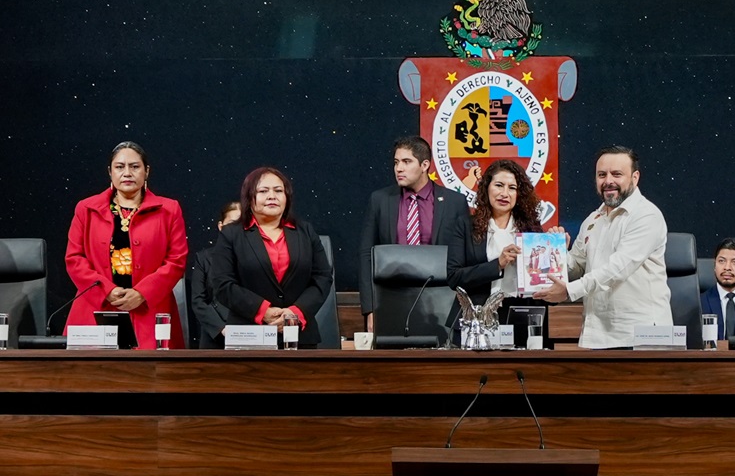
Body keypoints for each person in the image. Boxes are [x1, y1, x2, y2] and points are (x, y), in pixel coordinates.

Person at [534, 145, 672, 349]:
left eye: (617, 174)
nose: (608, 181)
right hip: (597, 335)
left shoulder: (646, 215)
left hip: (641, 337)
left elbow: (617, 269)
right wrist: (557, 253)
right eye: (602, 174)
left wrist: (570, 291)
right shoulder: (593, 220)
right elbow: (577, 267)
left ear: (635, 178)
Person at [64, 141, 189, 349]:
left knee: (152, 377)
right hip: (96, 306)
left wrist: (142, 293)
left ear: (146, 171)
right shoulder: (86, 208)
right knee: (89, 377)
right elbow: (74, 259)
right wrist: (106, 291)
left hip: (149, 309)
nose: (127, 173)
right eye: (120, 167)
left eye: (135, 166)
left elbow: (176, 261)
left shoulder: (169, 209)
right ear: (110, 172)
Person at [357, 135, 471, 330]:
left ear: (425, 164)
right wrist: (370, 309)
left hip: (441, 305)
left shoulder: (455, 203)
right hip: (389, 301)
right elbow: (366, 255)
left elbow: (465, 259)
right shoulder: (380, 200)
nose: (399, 168)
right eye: (396, 162)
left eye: (406, 162)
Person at [211, 167, 333, 348]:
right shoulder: (232, 234)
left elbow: (322, 278)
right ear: (248, 198)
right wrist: (263, 311)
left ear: (287, 197)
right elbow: (223, 285)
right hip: (249, 336)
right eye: (262, 191)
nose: (272, 196)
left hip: (300, 337)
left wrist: (294, 314)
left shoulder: (305, 231)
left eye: (278, 191)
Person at [446, 159, 549, 347]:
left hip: (520, 319)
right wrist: (497, 264)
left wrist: (557, 251)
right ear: (487, 188)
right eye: (499, 185)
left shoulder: (531, 231)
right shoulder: (466, 225)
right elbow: (454, 277)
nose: (504, 193)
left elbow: (545, 281)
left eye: (512, 188)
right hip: (476, 320)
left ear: (519, 195)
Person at [189, 201, 240, 349]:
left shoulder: (257, 259)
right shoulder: (204, 258)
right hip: (214, 336)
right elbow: (198, 301)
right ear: (220, 226)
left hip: (249, 334)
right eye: (231, 223)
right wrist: (221, 328)